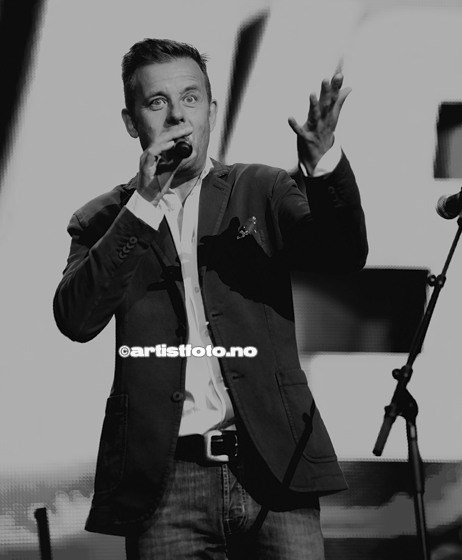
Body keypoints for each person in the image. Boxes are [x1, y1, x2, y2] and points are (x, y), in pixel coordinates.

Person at [53, 38, 368, 559]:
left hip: (274, 469)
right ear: (132, 122)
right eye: (158, 102)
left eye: (191, 98)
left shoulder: (260, 189)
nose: (178, 116)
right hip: (165, 486)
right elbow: (76, 318)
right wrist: (144, 203)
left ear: (212, 112)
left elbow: (343, 255)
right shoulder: (103, 219)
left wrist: (323, 164)